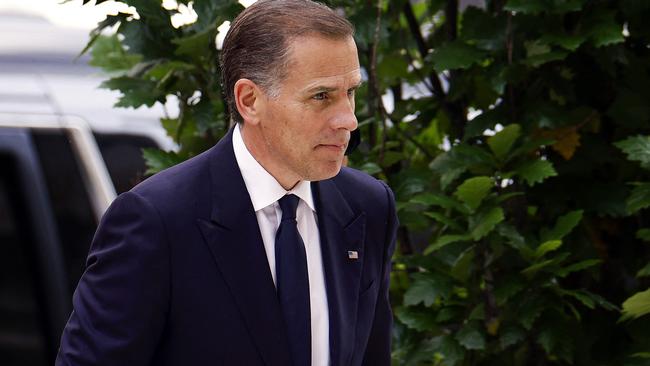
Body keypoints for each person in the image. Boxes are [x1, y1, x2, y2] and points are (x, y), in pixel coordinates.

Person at [55, 0, 397, 365]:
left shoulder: (368, 206)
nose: (348, 119)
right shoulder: (158, 220)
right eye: (321, 96)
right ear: (250, 100)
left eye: (350, 93)